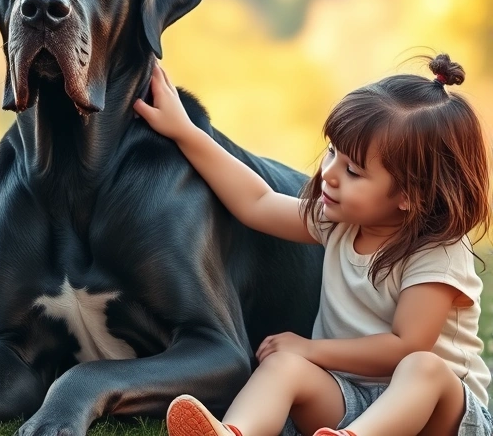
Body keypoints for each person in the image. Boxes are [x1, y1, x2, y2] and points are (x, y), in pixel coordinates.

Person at [133, 54, 492, 436]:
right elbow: (257, 202)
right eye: (332, 151)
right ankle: (235, 432)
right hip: (346, 397)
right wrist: (184, 131)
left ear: (409, 194)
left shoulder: (437, 251)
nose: (328, 173)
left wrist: (309, 349)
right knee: (283, 365)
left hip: (437, 416)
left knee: (423, 366)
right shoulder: (339, 220)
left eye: (353, 171)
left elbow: (404, 347)